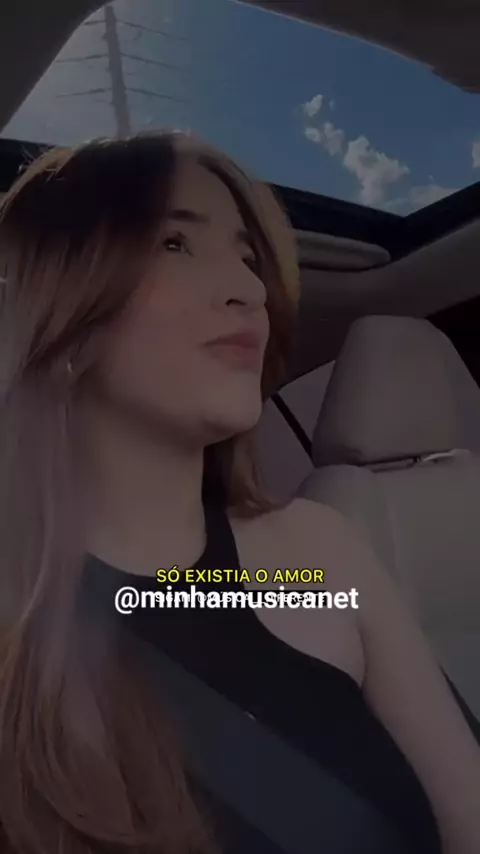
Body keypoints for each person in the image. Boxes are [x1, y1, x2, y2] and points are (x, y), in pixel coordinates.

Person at [0, 131, 478, 854]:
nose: (251, 291)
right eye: (174, 244)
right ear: (57, 307)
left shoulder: (315, 559)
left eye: (250, 260)